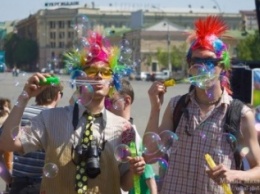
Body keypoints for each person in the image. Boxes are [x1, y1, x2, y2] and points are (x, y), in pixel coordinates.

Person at [0, 30, 145, 194]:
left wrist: (134, 172)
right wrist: (25, 96)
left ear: (112, 82)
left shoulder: (124, 128)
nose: (98, 76)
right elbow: (7, 143)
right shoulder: (50, 118)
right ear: (79, 77)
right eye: (91, 71)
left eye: (105, 72)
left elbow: (125, 185)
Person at [143, 16, 260, 194]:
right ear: (189, 67)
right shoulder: (177, 106)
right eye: (196, 62)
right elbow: (150, 155)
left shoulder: (241, 114)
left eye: (209, 62)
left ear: (222, 66)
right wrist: (155, 108)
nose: (202, 68)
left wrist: (235, 175)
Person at [0, 82, 64, 194]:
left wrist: (9, 179)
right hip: (47, 186)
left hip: (19, 185)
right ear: (57, 95)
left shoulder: (17, 114)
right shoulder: (60, 118)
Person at [105, 79, 158, 194]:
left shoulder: (131, 134)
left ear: (127, 101)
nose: (106, 107)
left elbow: (148, 173)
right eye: (104, 102)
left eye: (110, 102)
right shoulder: (109, 129)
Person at [0, 97, 13, 189]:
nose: (4, 108)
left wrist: (9, 114)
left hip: (8, 145)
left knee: (8, 164)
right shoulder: (4, 118)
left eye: (6, 106)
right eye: (2, 106)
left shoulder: (10, 117)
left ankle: (9, 185)